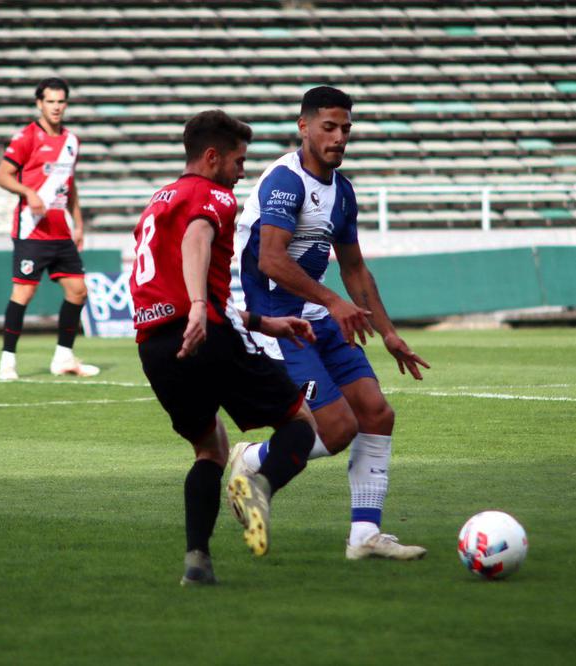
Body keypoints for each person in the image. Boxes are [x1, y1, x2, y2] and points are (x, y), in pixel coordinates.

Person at [233, 86, 430, 559]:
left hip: (316, 316)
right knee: (338, 428)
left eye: (345, 129)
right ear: (304, 127)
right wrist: (333, 301)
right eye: (329, 127)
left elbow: (355, 267)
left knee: (377, 413)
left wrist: (388, 332)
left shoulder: (341, 191)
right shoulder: (285, 180)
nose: (339, 137)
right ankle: (252, 459)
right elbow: (272, 261)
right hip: (273, 319)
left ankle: (364, 536)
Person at [130, 110, 318, 585]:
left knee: (209, 448)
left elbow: (178, 269)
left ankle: (197, 560)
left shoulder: (158, 200)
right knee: (300, 422)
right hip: (204, 332)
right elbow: (197, 237)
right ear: (211, 157)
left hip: (156, 346)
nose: (241, 171)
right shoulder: (213, 195)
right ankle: (259, 485)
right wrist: (197, 305)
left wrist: (261, 322)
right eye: (238, 160)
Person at [0, 77, 98, 380]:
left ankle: (63, 358)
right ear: (40, 103)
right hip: (32, 230)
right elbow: (2, 175)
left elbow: (70, 186)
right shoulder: (27, 136)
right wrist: (28, 192)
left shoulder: (71, 141)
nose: (56, 107)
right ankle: (7, 362)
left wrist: (78, 223)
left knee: (78, 291)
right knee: (24, 293)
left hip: (60, 232)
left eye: (61, 101)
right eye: (50, 101)